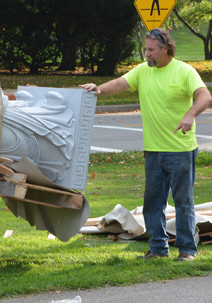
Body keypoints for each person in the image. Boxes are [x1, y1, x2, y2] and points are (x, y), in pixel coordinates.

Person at [79, 28, 212, 262]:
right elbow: (120, 84)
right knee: (152, 203)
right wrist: (98, 89)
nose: (147, 54)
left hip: (180, 150)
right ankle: (158, 248)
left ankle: (187, 250)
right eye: (146, 50)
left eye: (151, 50)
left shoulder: (184, 71)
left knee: (183, 203)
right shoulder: (143, 71)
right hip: (153, 150)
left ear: (165, 49)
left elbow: (205, 96)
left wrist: (190, 115)